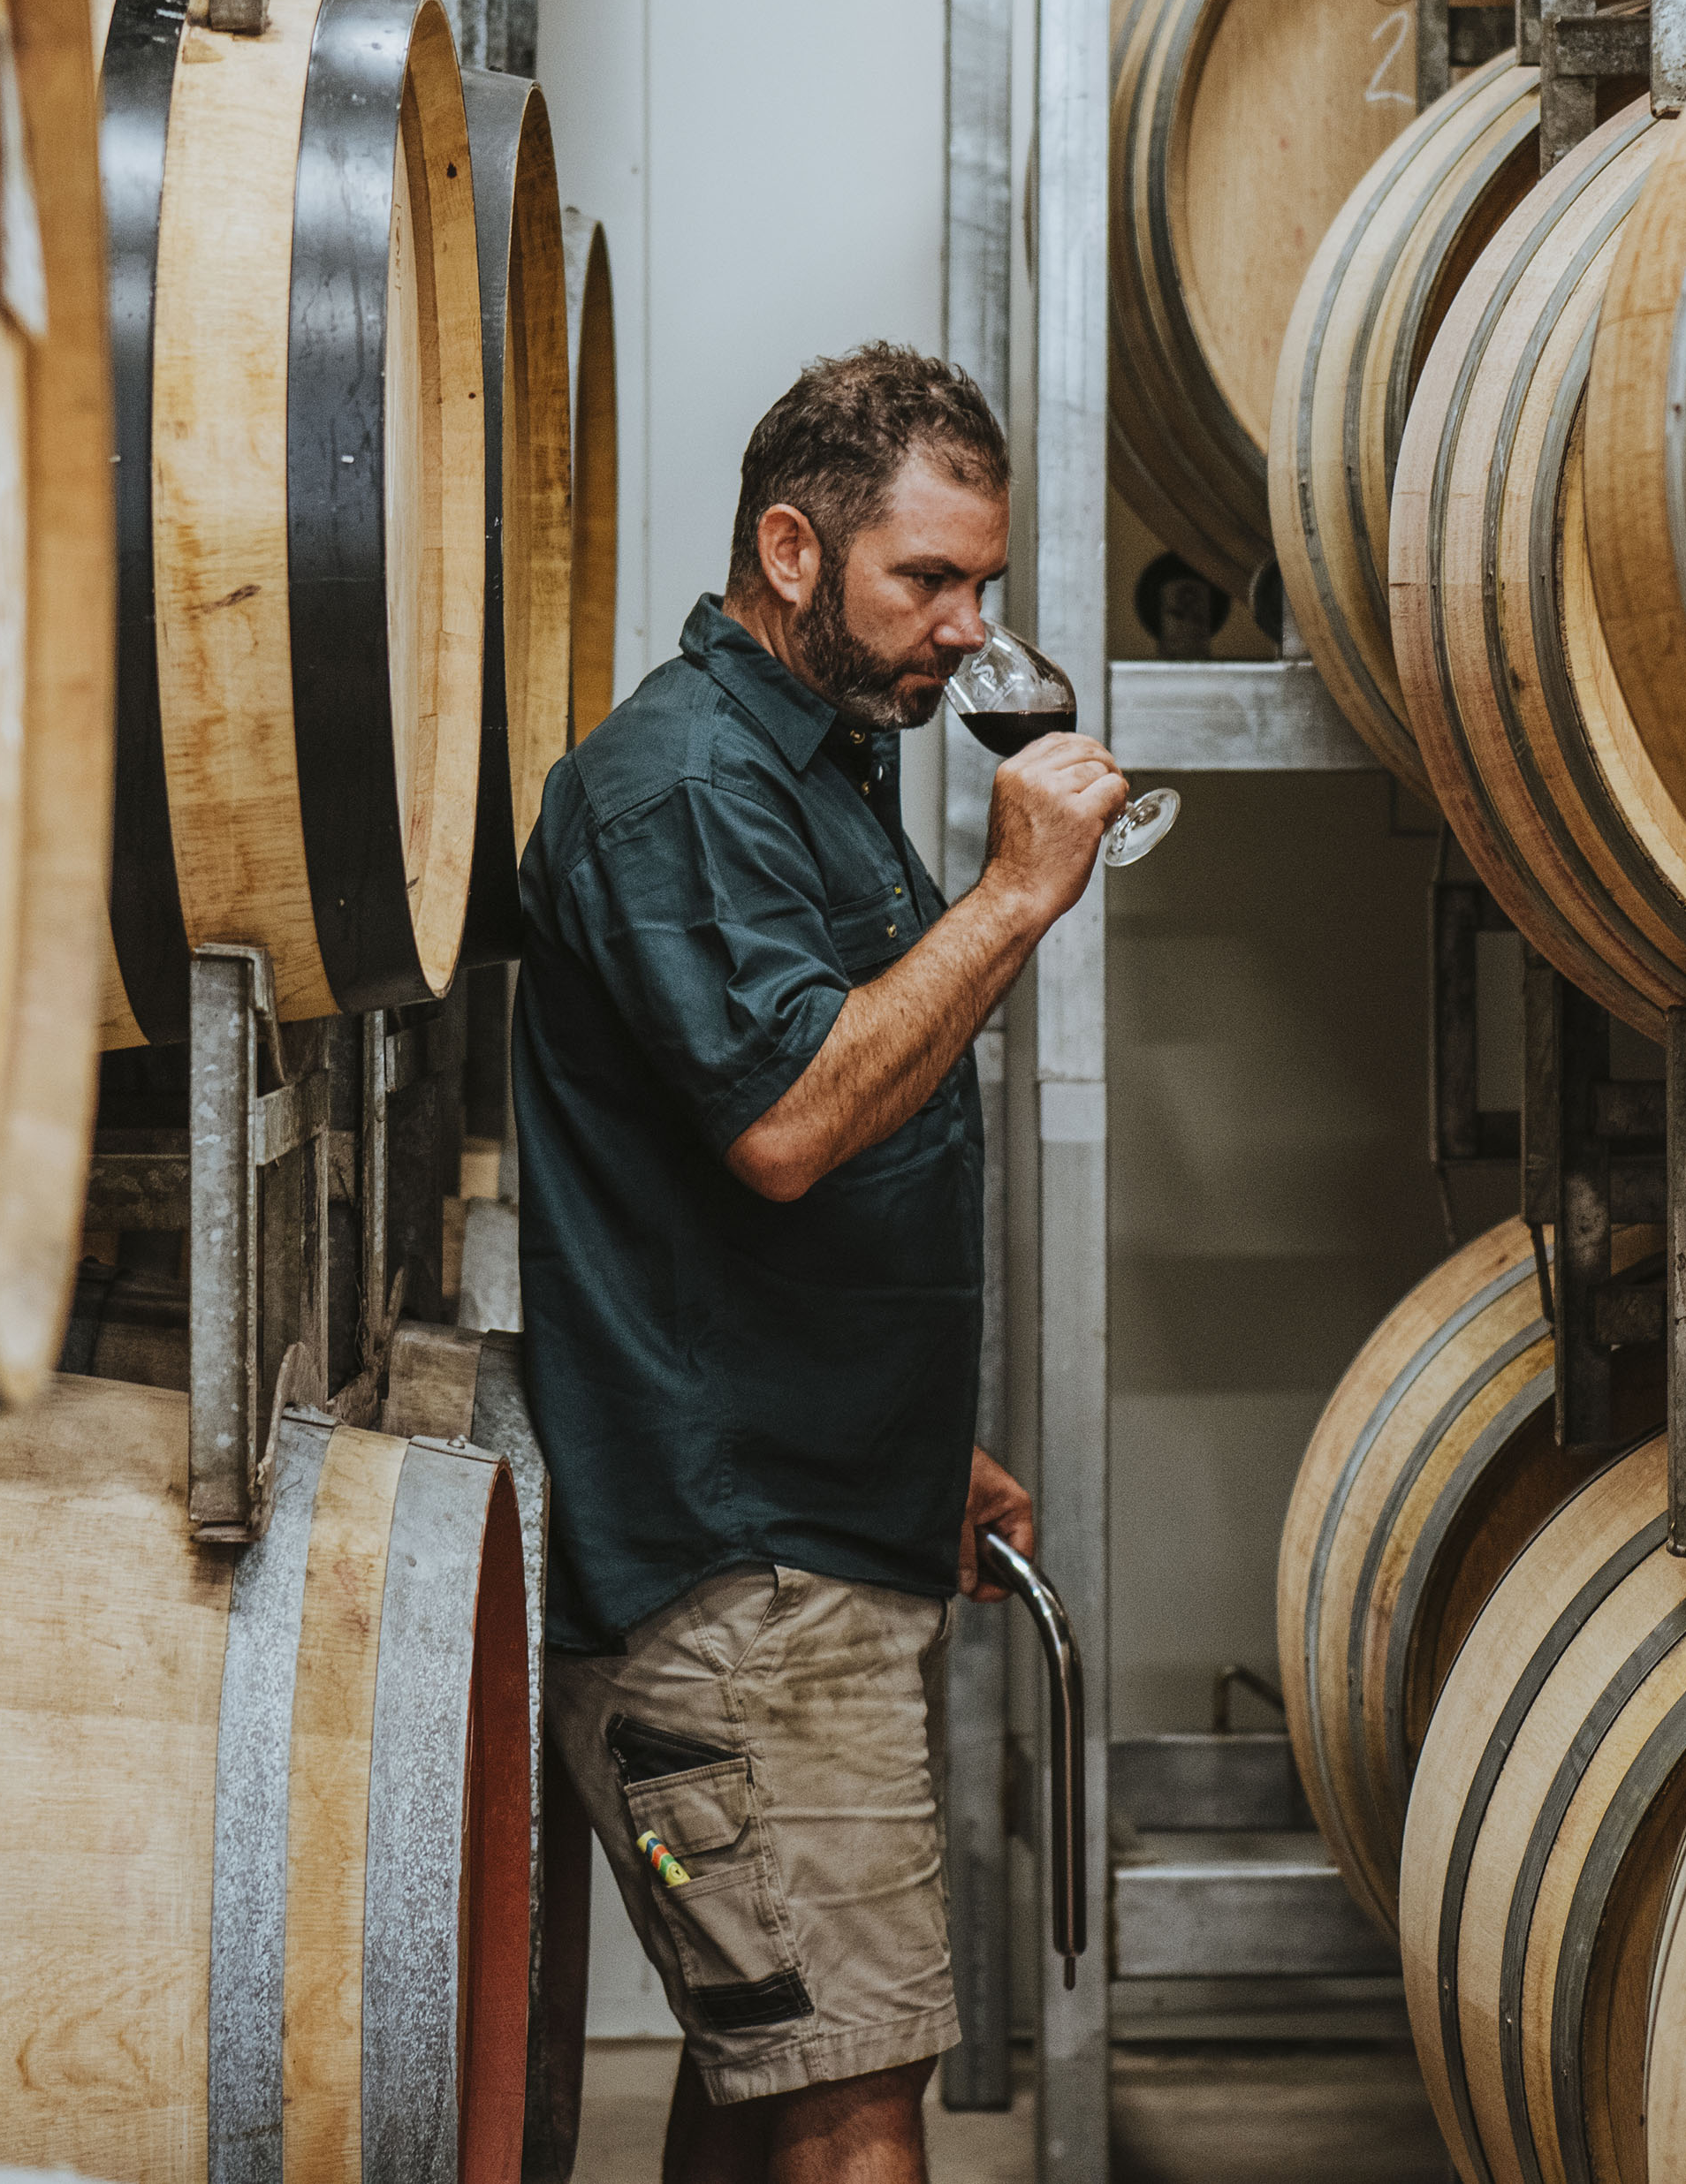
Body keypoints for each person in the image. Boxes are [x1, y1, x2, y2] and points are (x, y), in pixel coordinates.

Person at [516, 342, 1128, 2184]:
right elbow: (788, 1123)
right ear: (793, 550)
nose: (967, 631)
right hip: (731, 1575)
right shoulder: (683, 787)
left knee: (775, 2073)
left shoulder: (821, 765)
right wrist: (1019, 897)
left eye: (984, 586)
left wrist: (901, 1450)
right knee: (856, 2114)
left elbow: (808, 1174)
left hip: (806, 1517)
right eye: (924, 582)